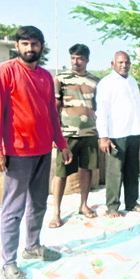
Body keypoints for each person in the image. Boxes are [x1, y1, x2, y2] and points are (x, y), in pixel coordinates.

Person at [0, 26, 72, 279]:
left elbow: (52, 114)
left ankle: (33, 246)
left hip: (42, 150)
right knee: (13, 209)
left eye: (34, 44)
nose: (29, 48)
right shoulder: (5, 71)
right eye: (24, 43)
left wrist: (61, 143)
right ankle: (9, 262)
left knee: (38, 204)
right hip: (17, 151)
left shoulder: (47, 77)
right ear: (17, 45)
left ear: (42, 47)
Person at [49, 44, 99, 228]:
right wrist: (55, 135)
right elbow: (55, 108)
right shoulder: (60, 79)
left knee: (87, 170)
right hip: (67, 135)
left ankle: (83, 205)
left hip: (90, 133)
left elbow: (98, 107)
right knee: (61, 173)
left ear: (87, 60)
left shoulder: (95, 81)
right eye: (72, 58)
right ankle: (56, 213)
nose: (75, 62)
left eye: (79, 58)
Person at [96, 51, 140, 217]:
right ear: (113, 64)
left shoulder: (132, 81)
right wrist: (103, 136)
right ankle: (112, 206)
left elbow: (137, 108)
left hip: (133, 132)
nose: (124, 65)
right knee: (115, 172)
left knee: (132, 170)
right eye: (120, 62)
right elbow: (101, 111)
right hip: (115, 135)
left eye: (126, 62)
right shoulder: (106, 83)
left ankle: (132, 202)